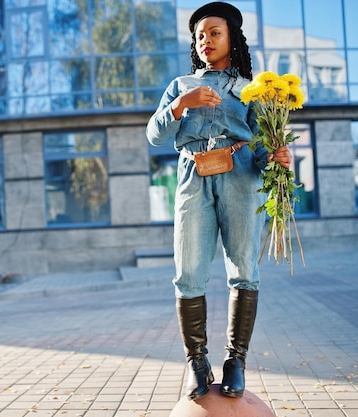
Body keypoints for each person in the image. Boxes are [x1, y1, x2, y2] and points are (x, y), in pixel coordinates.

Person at [146, 1, 292, 400]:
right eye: (200, 35)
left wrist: (276, 157)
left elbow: (262, 148)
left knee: (244, 268)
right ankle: (197, 362)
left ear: (231, 38)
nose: (206, 40)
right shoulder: (180, 85)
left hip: (241, 173)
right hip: (193, 174)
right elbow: (154, 136)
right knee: (188, 271)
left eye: (215, 32)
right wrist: (180, 106)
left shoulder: (250, 88)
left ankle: (236, 361)